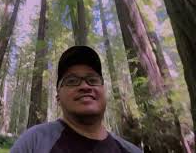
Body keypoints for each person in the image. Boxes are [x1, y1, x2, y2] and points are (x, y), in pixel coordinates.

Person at [10, 46, 141, 153]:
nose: (85, 86)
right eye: (72, 81)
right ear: (58, 97)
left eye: (93, 80)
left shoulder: (131, 150)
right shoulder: (34, 142)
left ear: (103, 91)